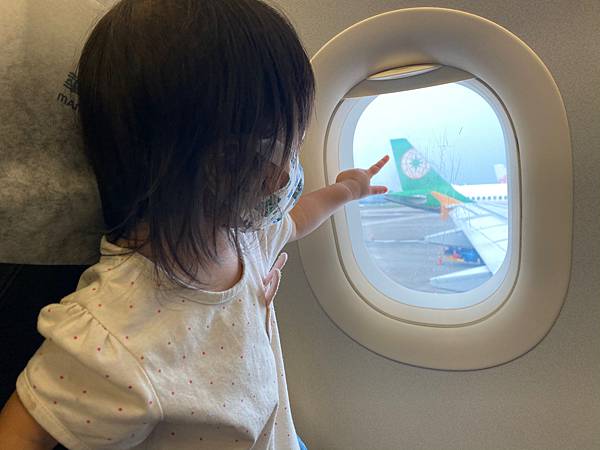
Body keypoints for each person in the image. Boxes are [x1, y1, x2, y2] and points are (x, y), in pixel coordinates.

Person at [0, 0, 389, 448]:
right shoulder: (114, 333)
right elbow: (21, 433)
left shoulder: (241, 238)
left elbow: (297, 219)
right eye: (274, 152)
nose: (285, 176)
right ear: (206, 164)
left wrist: (348, 190)